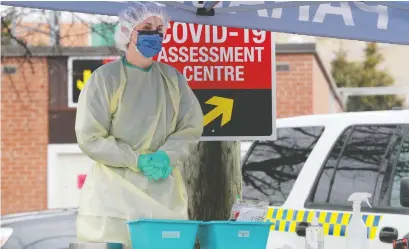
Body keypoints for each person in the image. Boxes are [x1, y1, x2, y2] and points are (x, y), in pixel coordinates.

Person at [74, 2, 204, 248]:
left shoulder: (172, 79)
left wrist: (168, 156)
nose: (155, 34)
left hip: (163, 198)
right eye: (146, 27)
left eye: (159, 28)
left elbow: (190, 127)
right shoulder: (106, 79)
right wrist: (136, 160)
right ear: (127, 32)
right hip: (113, 201)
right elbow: (90, 138)